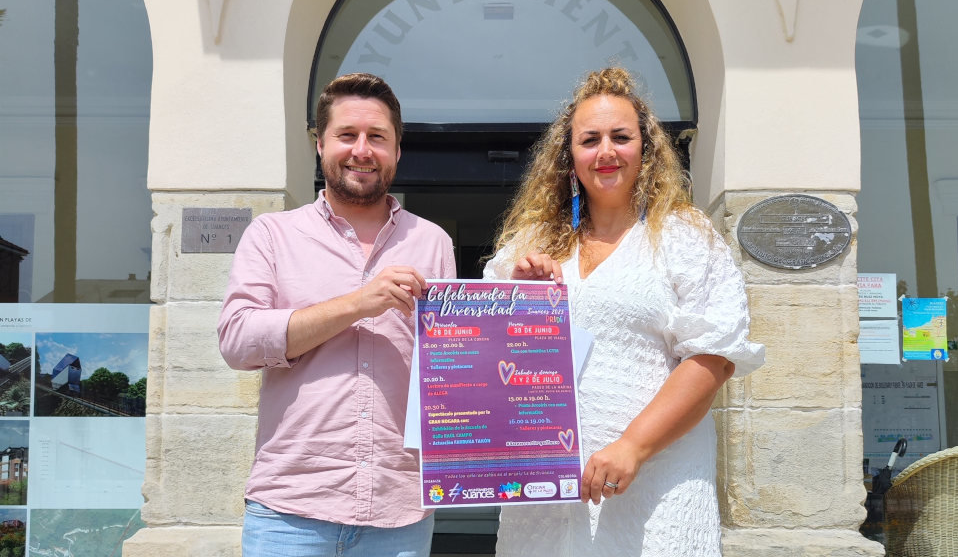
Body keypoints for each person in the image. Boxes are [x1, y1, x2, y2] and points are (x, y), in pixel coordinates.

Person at [483, 67, 765, 556]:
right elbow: (485, 363)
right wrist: (516, 303)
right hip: (546, 496)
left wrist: (632, 446)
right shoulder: (525, 247)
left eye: (621, 136)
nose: (606, 152)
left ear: (646, 149)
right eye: (590, 139)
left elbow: (713, 359)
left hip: (657, 488)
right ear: (569, 157)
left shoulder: (685, 236)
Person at [218, 72, 455, 557]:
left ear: (397, 149)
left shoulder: (433, 242)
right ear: (320, 144)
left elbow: (451, 365)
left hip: (401, 509)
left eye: (377, 138)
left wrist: (522, 302)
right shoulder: (271, 234)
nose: (362, 150)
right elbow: (238, 340)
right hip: (290, 509)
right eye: (347, 135)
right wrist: (357, 303)